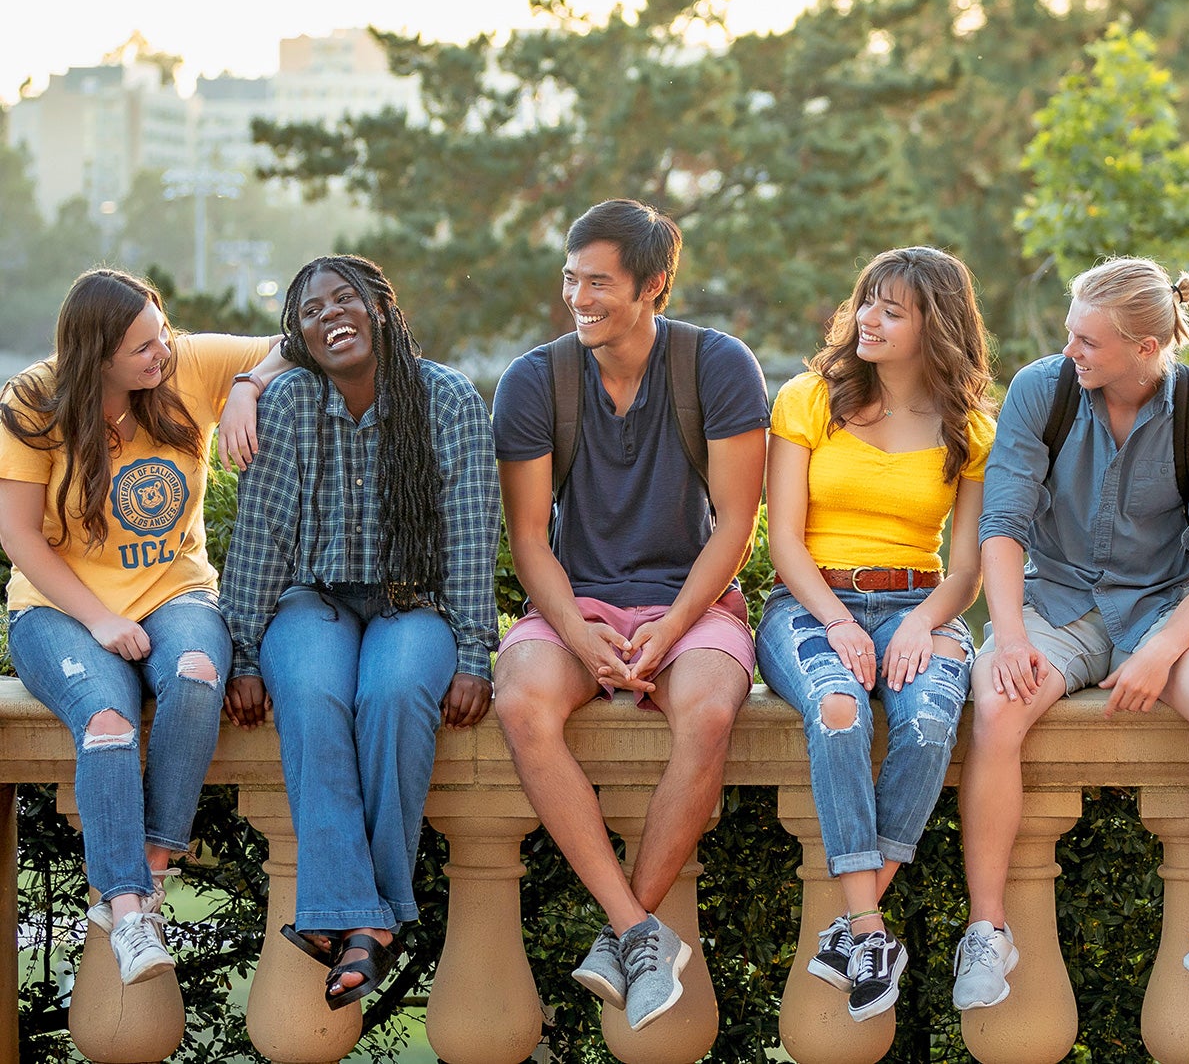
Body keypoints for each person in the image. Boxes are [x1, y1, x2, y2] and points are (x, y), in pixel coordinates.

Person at [955, 256, 1189, 1009]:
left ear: (1147, 347)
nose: (1070, 352)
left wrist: (1160, 650)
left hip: (1161, 607)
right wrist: (1009, 632)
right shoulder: (1041, 391)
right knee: (997, 703)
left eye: (1088, 341)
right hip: (1053, 603)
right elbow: (1002, 525)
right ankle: (986, 931)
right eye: (1069, 333)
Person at [492, 199, 768, 1032]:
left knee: (712, 708)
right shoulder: (534, 380)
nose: (579, 296)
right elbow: (530, 540)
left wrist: (676, 625)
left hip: (693, 600)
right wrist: (579, 631)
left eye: (599, 282)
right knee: (519, 700)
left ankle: (624, 932)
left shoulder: (718, 368)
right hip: (578, 603)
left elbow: (736, 524)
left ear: (653, 285)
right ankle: (640, 930)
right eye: (571, 278)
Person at [219, 254, 499, 1010]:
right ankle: (369, 924)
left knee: (395, 691)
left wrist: (475, 652)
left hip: (416, 603)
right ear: (297, 334)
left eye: (345, 299)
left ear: (380, 307)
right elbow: (261, 538)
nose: (329, 316)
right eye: (311, 310)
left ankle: (344, 919)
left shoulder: (448, 401)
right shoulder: (288, 405)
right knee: (309, 693)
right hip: (312, 599)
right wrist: (243, 651)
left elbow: (474, 539)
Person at [0, 267, 286, 984]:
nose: (162, 355)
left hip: (176, 591)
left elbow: (298, 341)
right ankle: (127, 914)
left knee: (195, 676)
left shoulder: (185, 365)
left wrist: (247, 386)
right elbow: (18, 535)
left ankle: (149, 875)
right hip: (59, 607)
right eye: (142, 350)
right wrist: (99, 619)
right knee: (106, 720)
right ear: (96, 356)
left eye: (161, 335)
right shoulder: (34, 400)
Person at [755, 247, 994, 1021]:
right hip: (809, 601)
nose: (869, 318)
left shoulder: (971, 429)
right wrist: (834, 620)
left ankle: (856, 928)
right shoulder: (806, 400)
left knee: (928, 722)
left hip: (920, 603)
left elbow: (966, 571)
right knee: (839, 708)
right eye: (867, 302)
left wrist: (922, 624)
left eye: (893, 310)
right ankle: (868, 927)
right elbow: (782, 540)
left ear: (937, 325)